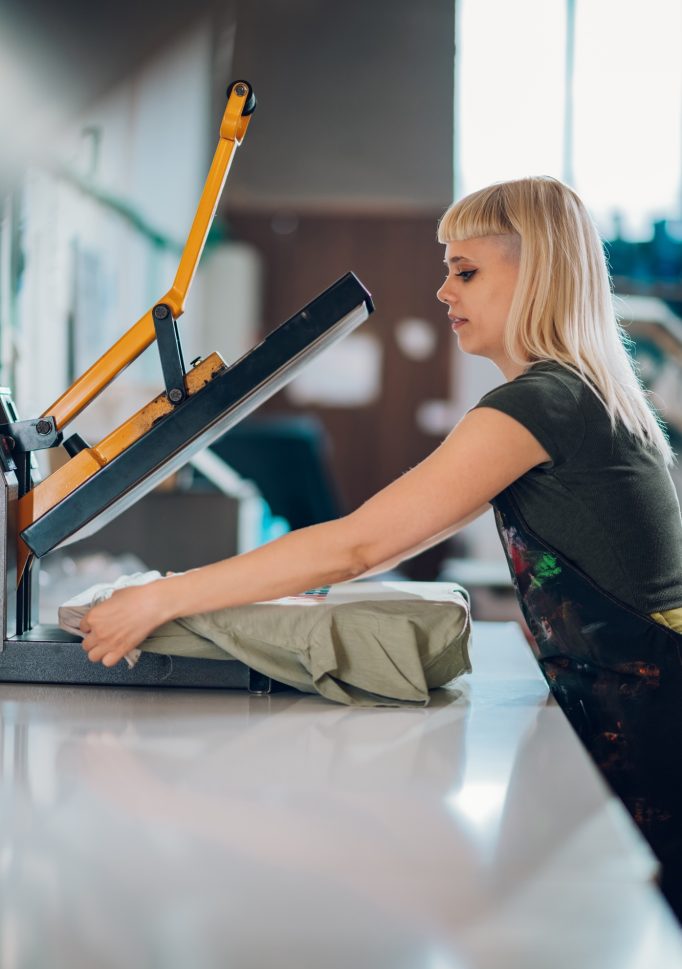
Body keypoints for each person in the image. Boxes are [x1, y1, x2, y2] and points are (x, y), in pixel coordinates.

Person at [82, 177, 682, 913]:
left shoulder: (542, 402)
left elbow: (359, 545)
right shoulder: (582, 392)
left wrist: (158, 599)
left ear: (538, 275)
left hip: (648, 718)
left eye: (466, 272)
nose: (442, 291)